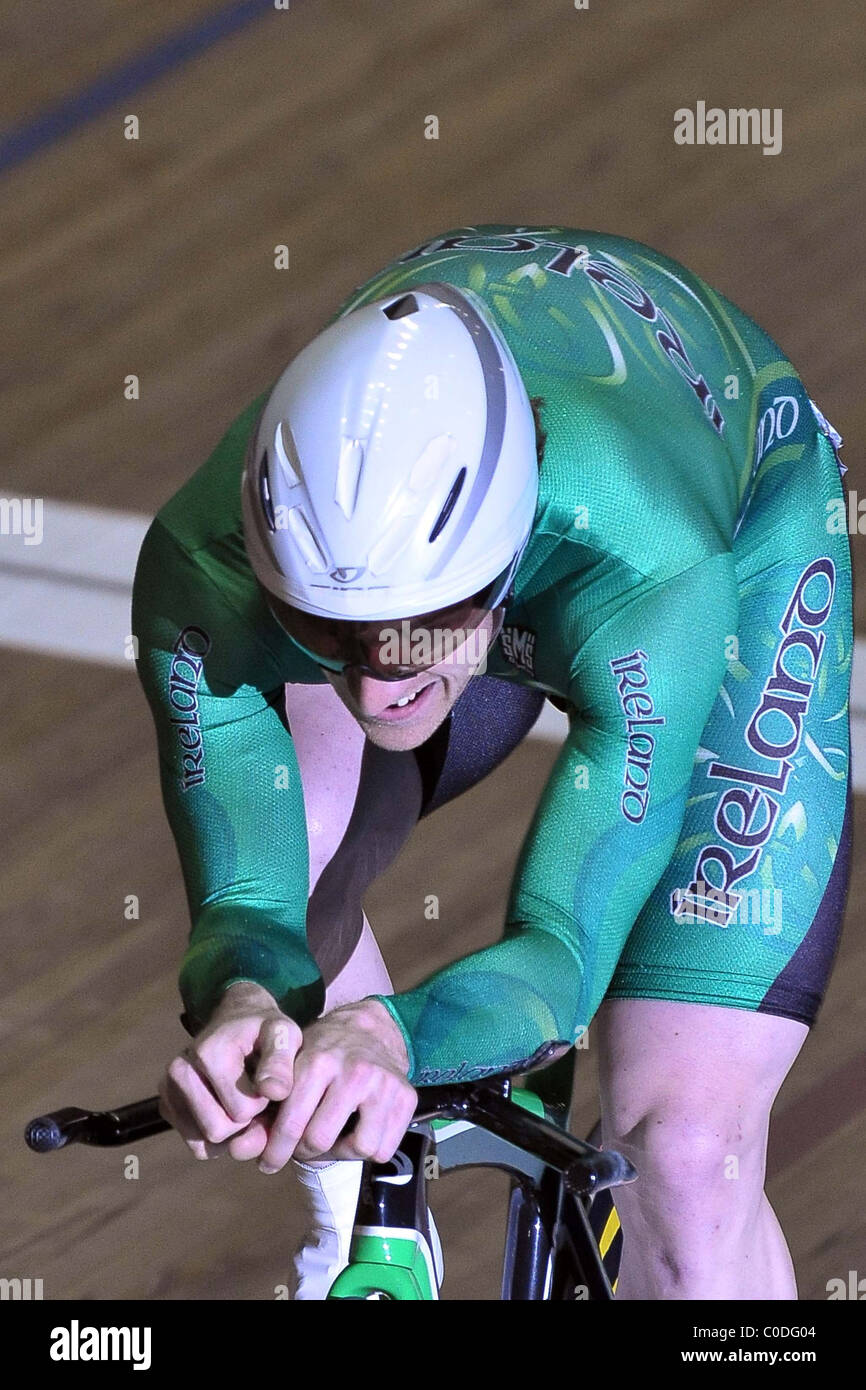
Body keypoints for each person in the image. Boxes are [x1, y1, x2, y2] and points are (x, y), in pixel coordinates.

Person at [132, 224, 852, 1300]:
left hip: (736, 519)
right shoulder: (206, 564)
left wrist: (385, 1032)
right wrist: (246, 996)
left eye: (411, 634)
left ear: (503, 555)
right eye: (325, 630)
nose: (377, 687)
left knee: (687, 1154)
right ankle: (361, 1202)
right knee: (305, 853)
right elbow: (248, 889)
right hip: (488, 537)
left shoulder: (651, 557)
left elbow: (564, 943)